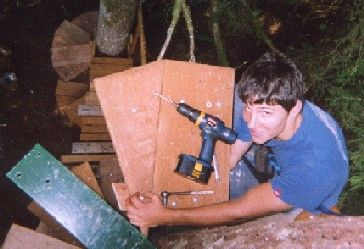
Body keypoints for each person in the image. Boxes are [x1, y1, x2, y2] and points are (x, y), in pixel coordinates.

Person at [125, 52, 349, 228]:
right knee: (231, 102)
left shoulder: (314, 174)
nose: (252, 122)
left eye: (265, 113)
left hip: (309, 191)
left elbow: (239, 210)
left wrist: (164, 216)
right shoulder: (264, 100)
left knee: (233, 200)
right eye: (249, 109)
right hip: (290, 154)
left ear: (295, 108)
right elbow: (237, 144)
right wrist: (227, 160)